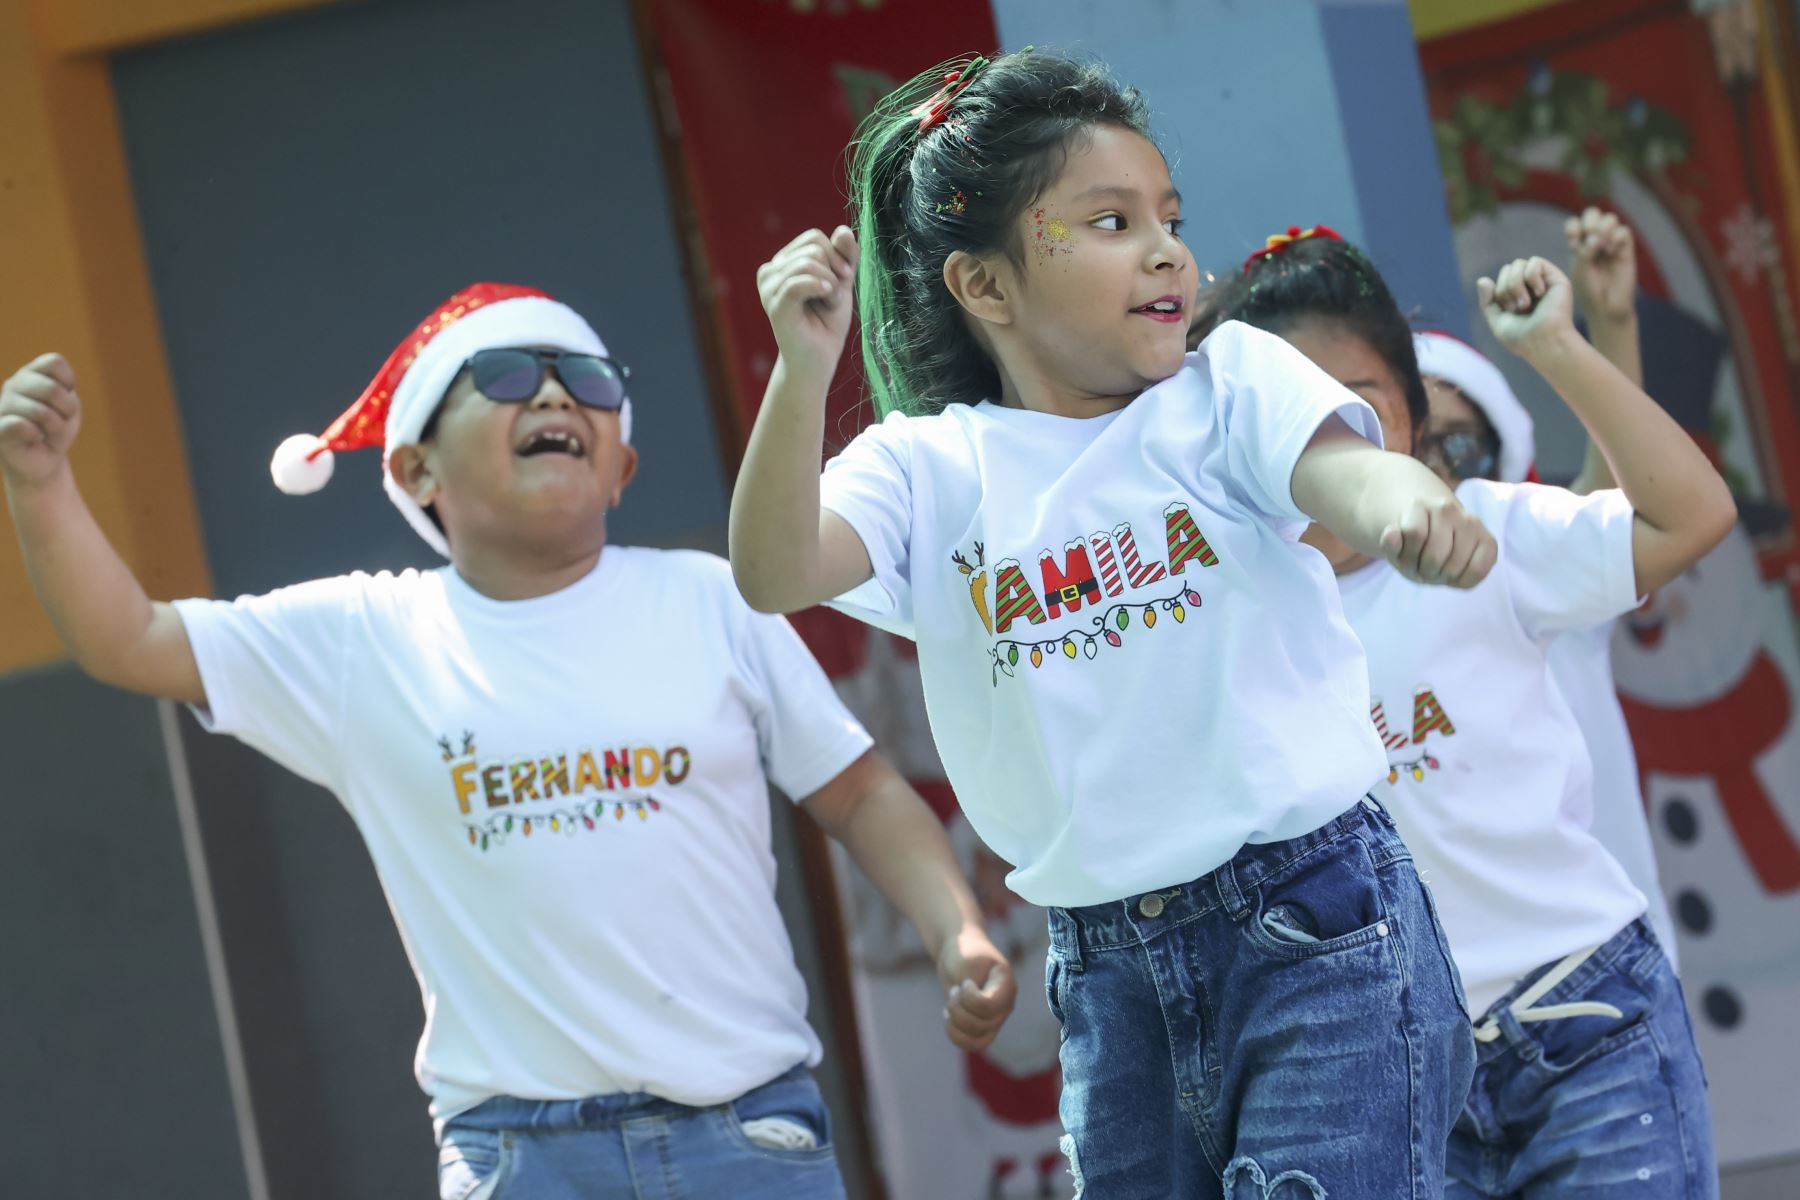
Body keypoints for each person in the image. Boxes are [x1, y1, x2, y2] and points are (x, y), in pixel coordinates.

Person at [0, 281, 1016, 1200]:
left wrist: (955, 930)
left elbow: (861, 792)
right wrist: (41, 488)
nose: (552, 396)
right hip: (520, 1159)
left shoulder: (710, 598)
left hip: (748, 1135)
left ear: (623, 465)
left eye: (585, 379)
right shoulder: (366, 639)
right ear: (415, 467)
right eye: (502, 374)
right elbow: (129, 639)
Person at [729, 47, 1487, 1199]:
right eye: (1109, 220)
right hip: (1105, 965)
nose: (1167, 247)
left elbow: (1346, 476)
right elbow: (776, 570)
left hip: (1315, 923)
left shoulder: (1227, 387)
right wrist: (799, 374)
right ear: (982, 287)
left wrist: (1410, 507)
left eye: (1168, 217)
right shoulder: (929, 470)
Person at [1202, 226, 1730, 1198]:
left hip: (1585, 1029)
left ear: (1408, 417)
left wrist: (1561, 348)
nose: (1334, 445)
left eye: (1357, 408)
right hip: (1394, 1084)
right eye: (1293, 423)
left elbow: (1688, 515)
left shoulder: (1484, 532)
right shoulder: (1222, 615)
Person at [1411, 205, 1680, 965]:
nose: (1436, 469)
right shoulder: (1350, 611)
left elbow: (1621, 499)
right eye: (1411, 444)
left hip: (1611, 983)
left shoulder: (1536, 567)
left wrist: (1609, 319)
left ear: (1501, 458)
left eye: (1458, 444)